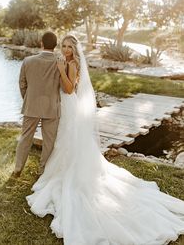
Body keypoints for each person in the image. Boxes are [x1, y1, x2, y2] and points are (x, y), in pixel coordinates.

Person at [26, 34, 184, 245]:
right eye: (63, 46)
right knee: (65, 141)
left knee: (68, 141)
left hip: (69, 105)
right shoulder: (67, 61)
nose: (64, 50)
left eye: (68, 47)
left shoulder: (71, 64)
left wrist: (60, 69)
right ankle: (62, 168)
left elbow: (69, 88)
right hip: (65, 106)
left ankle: (69, 172)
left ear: (74, 50)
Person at [11, 31, 61, 178]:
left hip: (31, 105)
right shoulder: (60, 62)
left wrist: (28, 99)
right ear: (56, 45)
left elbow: (22, 84)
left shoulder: (28, 61)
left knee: (25, 138)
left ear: (41, 43)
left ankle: (18, 169)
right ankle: (43, 171)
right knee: (49, 141)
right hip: (52, 107)